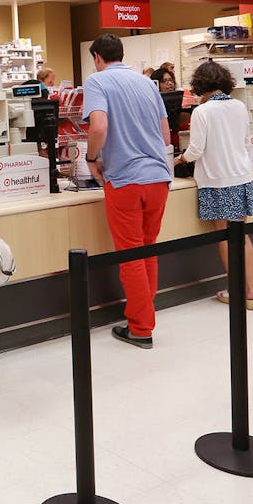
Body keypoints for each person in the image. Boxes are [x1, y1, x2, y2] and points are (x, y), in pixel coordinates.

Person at [82, 33, 173, 348]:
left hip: (124, 180)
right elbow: (164, 134)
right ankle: (144, 317)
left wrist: (92, 157)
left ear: (97, 58)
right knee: (148, 248)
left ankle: (141, 327)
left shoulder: (97, 82)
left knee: (131, 254)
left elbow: (99, 127)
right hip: (158, 178)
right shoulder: (148, 83)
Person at [176, 60, 253, 309]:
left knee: (224, 236)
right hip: (242, 176)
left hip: (217, 180)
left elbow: (196, 150)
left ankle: (237, 290)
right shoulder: (239, 106)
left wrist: (178, 159)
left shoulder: (202, 111)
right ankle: (250, 291)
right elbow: (246, 141)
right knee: (242, 236)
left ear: (200, 85)